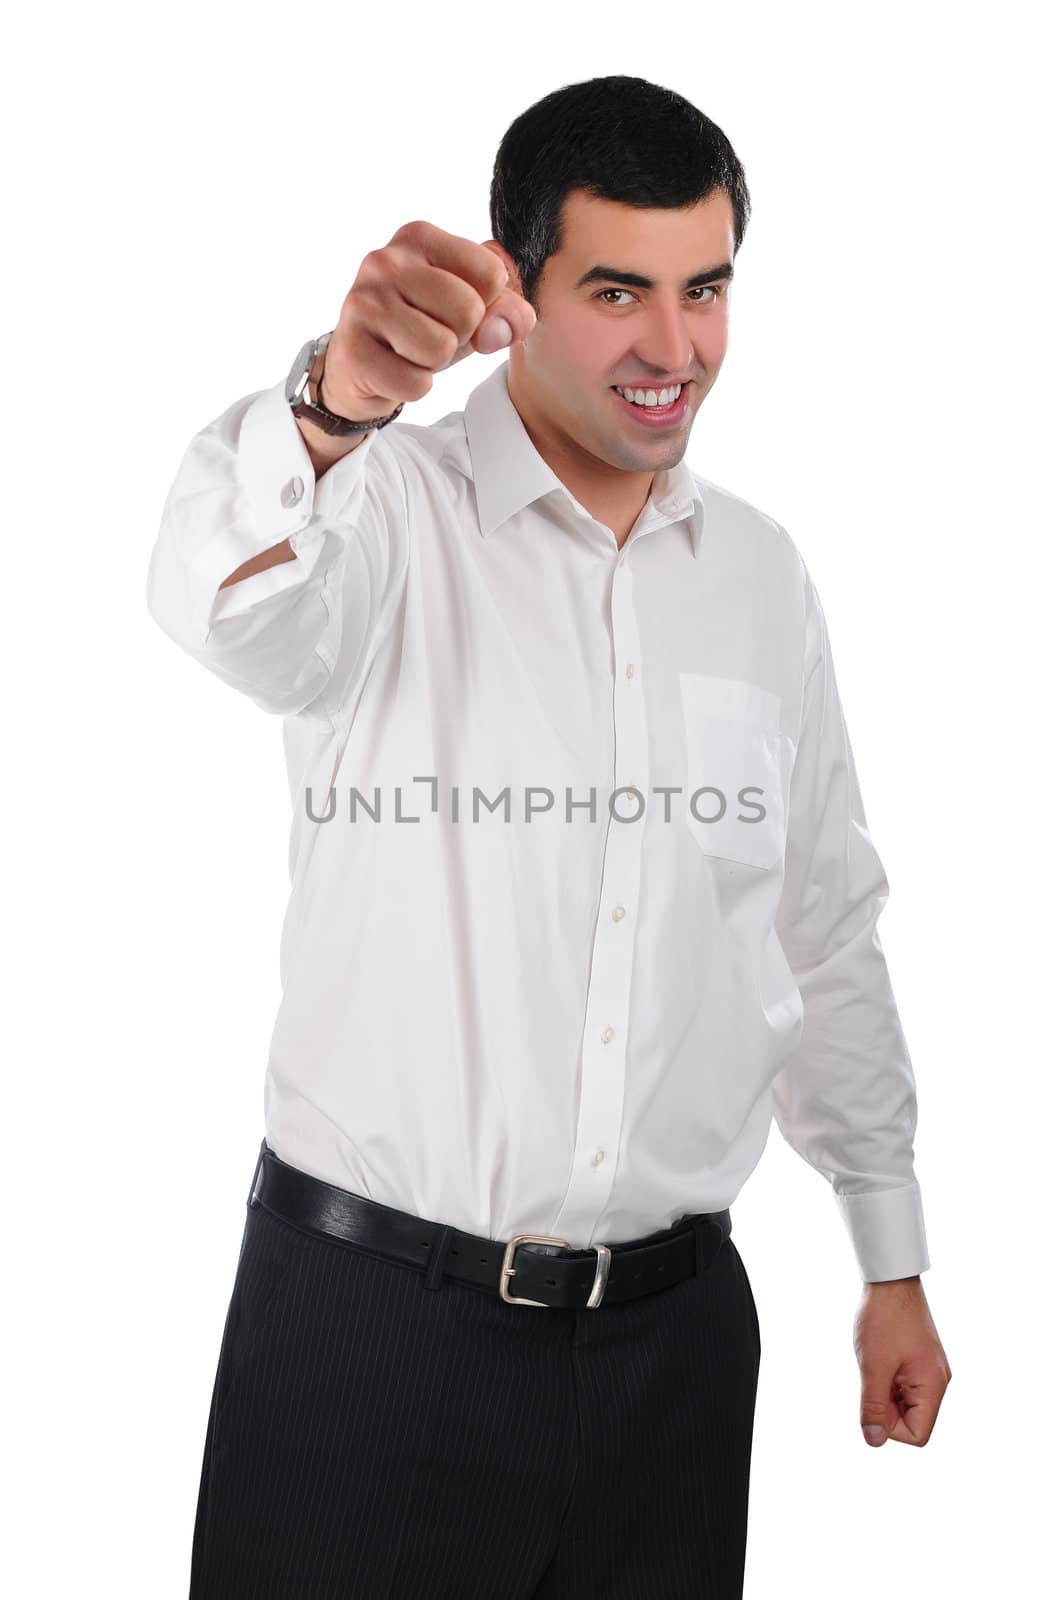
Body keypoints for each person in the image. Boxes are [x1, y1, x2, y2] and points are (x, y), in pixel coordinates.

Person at [147, 73, 952, 1600]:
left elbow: (821, 923)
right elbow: (222, 609)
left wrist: (889, 1254)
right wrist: (330, 403)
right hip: (370, 1331)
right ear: (514, 290)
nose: (676, 350)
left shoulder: (762, 580)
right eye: (619, 293)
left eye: (706, 289)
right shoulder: (379, 513)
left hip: (676, 1349)